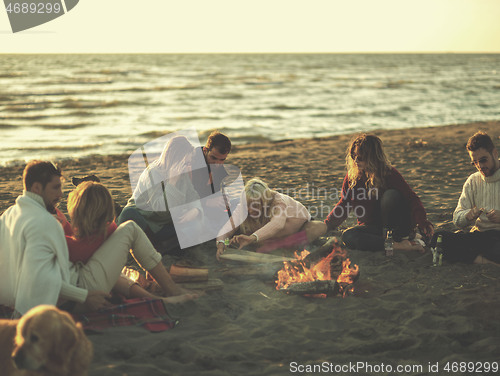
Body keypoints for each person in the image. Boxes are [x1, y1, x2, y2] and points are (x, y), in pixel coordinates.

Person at [0, 161, 192, 317]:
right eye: (56, 187)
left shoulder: (8, 215)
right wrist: (84, 296)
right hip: (72, 291)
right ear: (36, 187)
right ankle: (171, 291)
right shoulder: (43, 222)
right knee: (131, 229)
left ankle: (156, 296)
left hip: (21, 299)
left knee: (110, 264)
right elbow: (41, 277)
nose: (60, 194)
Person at [64, 181, 198, 302]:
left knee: (123, 272)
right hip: (79, 287)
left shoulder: (71, 244)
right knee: (131, 228)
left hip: (81, 281)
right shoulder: (107, 231)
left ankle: (158, 299)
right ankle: (170, 290)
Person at [325, 133, 434, 252]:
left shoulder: (389, 174)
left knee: (390, 195)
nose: (356, 160)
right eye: (353, 155)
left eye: (360, 157)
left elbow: (412, 199)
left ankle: (395, 240)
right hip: (373, 229)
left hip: (397, 228)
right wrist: (327, 225)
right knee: (348, 235)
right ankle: (398, 246)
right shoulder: (352, 178)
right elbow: (344, 204)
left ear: (372, 157)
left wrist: (422, 222)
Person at [117, 136, 204, 253]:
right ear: (175, 159)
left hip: (165, 224)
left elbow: (193, 196)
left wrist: (195, 211)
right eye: (186, 163)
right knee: (129, 214)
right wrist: (172, 182)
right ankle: (161, 245)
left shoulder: (183, 174)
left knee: (196, 226)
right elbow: (159, 209)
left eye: (189, 163)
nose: (189, 166)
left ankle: (161, 245)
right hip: (146, 220)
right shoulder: (152, 173)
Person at [215, 178, 327, 260]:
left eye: (255, 206)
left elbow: (278, 224)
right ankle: (267, 244)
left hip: (296, 231)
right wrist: (220, 242)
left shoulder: (277, 201)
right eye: (247, 206)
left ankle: (273, 245)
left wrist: (252, 238)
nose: (250, 210)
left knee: (319, 226)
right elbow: (230, 226)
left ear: (264, 202)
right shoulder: (244, 205)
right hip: (264, 236)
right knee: (237, 233)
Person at [434, 131, 500, 265]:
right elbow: (457, 219)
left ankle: (475, 258)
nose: (480, 166)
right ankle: (485, 261)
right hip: (480, 237)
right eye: (475, 162)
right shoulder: (473, 181)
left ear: (495, 153)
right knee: (438, 238)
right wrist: (468, 216)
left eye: (483, 160)